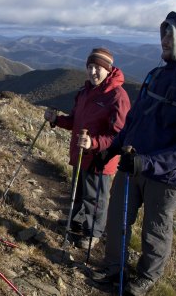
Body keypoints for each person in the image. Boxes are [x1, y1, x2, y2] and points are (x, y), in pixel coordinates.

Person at [90, 11, 176, 295]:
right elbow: (134, 121)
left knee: (156, 230)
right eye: (163, 33)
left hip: (166, 177)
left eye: (170, 35)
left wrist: (145, 162)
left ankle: (145, 279)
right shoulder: (156, 75)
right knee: (117, 220)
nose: (164, 40)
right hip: (131, 163)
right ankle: (114, 267)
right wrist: (111, 149)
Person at [44, 47, 130, 248]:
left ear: (108, 69)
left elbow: (120, 134)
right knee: (78, 191)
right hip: (80, 154)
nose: (92, 72)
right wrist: (56, 120)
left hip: (100, 159)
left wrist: (94, 143)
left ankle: (93, 234)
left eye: (97, 67)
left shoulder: (118, 96)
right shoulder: (85, 92)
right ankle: (75, 223)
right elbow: (75, 120)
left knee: (96, 199)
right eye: (89, 67)